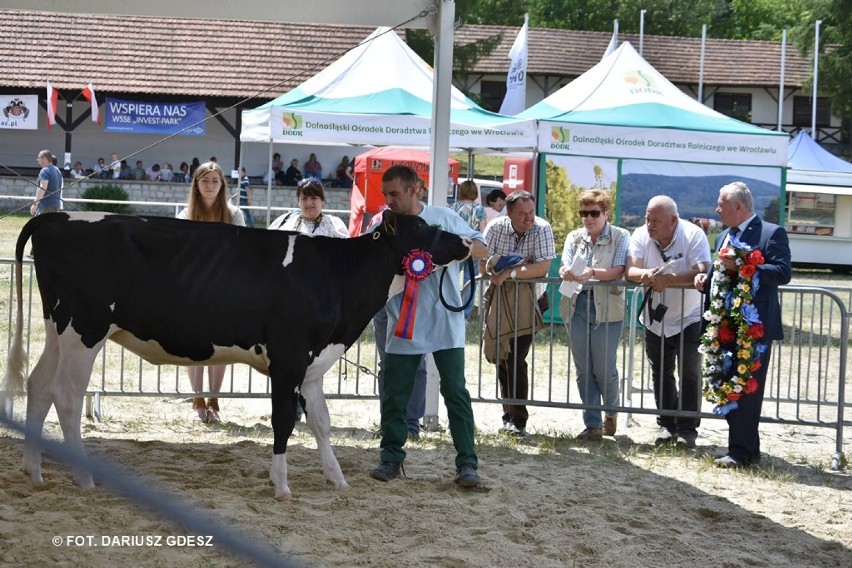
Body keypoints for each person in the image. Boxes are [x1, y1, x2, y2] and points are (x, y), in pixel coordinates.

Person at [370, 164, 488, 487]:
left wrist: (453, 253)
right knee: (395, 392)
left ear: (414, 190)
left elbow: (481, 247)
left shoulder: (445, 218)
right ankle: (391, 457)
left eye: (394, 194)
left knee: (455, 391)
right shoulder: (382, 225)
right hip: (403, 321)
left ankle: (467, 462)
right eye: (386, 195)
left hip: (446, 320)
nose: (389, 201)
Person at [695, 182, 791, 468]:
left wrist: (747, 265)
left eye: (721, 203)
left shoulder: (771, 233)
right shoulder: (723, 235)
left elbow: (783, 271)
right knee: (726, 383)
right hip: (723, 325)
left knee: (747, 389)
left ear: (738, 206)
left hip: (754, 328)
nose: (717, 208)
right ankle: (746, 447)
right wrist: (705, 280)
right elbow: (720, 273)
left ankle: (741, 451)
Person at [626, 195, 711, 448]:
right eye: (647, 218)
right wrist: (646, 274)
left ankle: (687, 429)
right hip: (655, 318)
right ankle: (666, 425)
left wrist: (670, 279)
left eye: (656, 221)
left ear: (674, 221)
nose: (650, 225)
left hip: (690, 315)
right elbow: (630, 271)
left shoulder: (694, 235)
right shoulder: (641, 235)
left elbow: (702, 269)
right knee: (660, 371)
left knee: (690, 371)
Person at [481, 190, 556, 437]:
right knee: (503, 357)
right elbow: (483, 262)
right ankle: (508, 416)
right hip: (501, 301)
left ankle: (519, 420)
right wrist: (520, 267)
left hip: (532, 302)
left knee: (515, 358)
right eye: (523, 214)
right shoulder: (494, 228)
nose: (529, 218)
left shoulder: (542, 228)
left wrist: (509, 272)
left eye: (532, 212)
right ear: (509, 213)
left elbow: (543, 267)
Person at [177, 161, 246, 423]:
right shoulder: (185, 215)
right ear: (196, 184)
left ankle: (214, 402)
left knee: (221, 348)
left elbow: (240, 251)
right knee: (193, 344)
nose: (210, 185)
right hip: (193, 289)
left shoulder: (233, 214)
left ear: (222, 185)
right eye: (205, 180)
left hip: (224, 289)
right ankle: (197, 401)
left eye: (215, 181)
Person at [559, 190, 630, 440]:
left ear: (606, 213)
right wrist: (565, 270)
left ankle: (611, 412)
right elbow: (564, 263)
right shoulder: (574, 237)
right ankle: (593, 424)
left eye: (594, 213)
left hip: (608, 310)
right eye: (584, 213)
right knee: (583, 369)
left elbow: (619, 270)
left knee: (605, 368)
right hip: (577, 305)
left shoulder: (621, 235)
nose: (588, 218)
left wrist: (591, 272)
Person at [451, 179, 487, 319]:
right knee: (470, 281)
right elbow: (484, 231)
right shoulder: (479, 209)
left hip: (457, 247)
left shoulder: (453, 207)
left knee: (452, 279)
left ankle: (452, 308)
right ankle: (465, 314)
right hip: (474, 248)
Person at [268, 178, 347, 237]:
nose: (309, 203)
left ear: (322, 200)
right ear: (298, 201)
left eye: (313, 198)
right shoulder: (282, 222)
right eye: (304, 198)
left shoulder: (335, 225)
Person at [30, 149, 63, 216]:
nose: (37, 160)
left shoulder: (45, 170)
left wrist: (35, 204)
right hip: (56, 204)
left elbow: (43, 187)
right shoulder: (57, 170)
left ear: (44, 159)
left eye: (39, 157)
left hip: (46, 205)